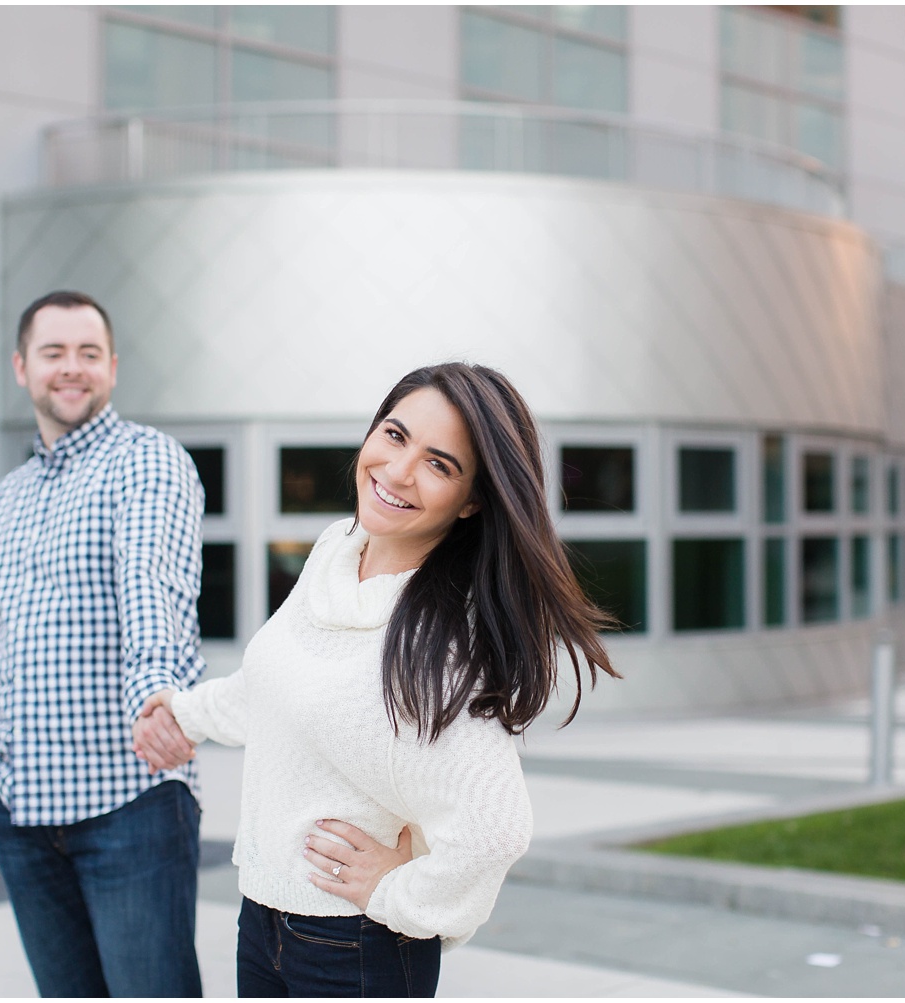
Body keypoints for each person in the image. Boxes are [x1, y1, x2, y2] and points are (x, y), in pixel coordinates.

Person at [135, 362, 620, 997]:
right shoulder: (338, 548)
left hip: (356, 946)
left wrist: (399, 890)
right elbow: (275, 687)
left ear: (472, 500)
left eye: (439, 464)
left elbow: (494, 827)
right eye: (394, 436)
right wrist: (182, 714)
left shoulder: (439, 637)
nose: (397, 471)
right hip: (262, 920)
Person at [0, 290, 207, 997]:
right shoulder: (5, 497)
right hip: (20, 808)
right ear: (21, 366)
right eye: (54, 353)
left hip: (128, 804)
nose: (72, 368)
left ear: (113, 367)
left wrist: (157, 695)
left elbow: (151, 585)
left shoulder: (146, 461)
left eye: (88, 354)